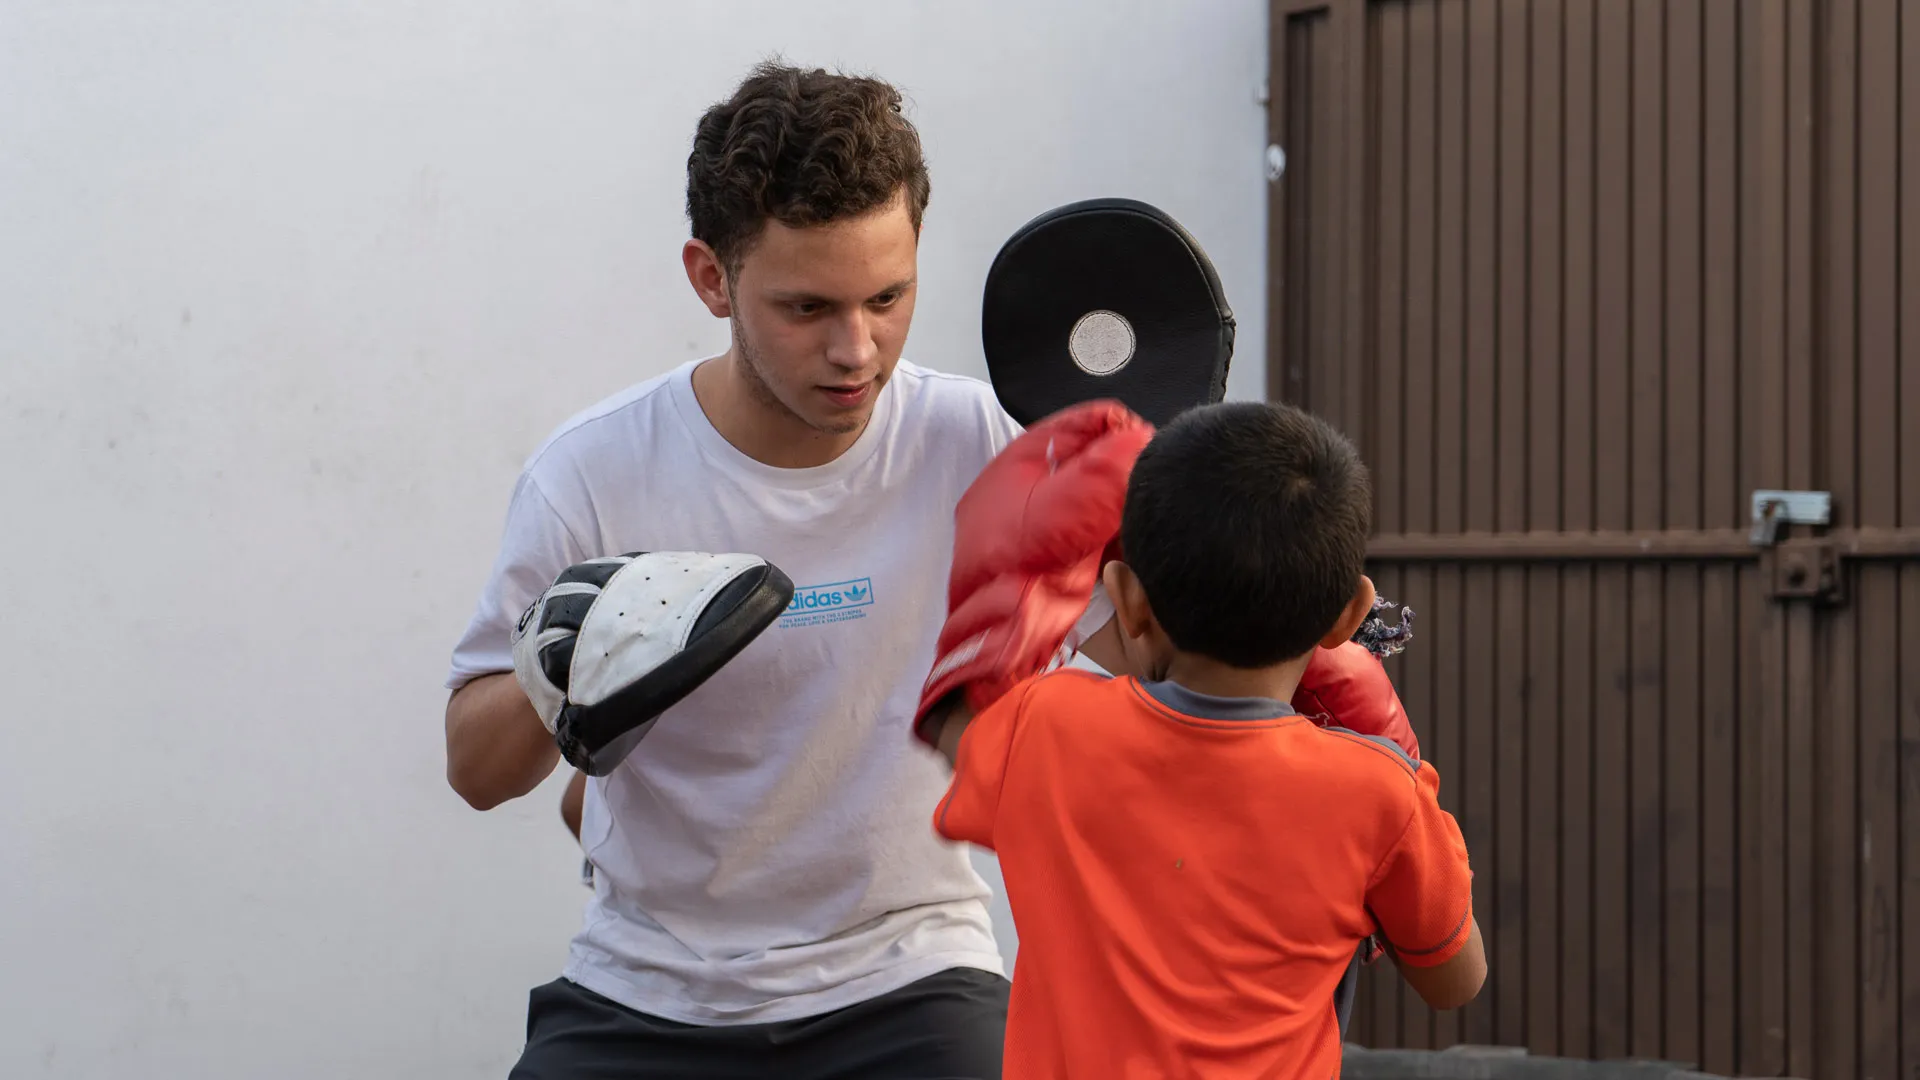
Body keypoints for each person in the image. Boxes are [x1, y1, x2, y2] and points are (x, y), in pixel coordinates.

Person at [443, 61, 1128, 1079]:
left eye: (888, 297)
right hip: (650, 988)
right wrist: (565, 664)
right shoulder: (593, 473)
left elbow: (1159, 653)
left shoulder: (983, 440)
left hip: (911, 975)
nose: (858, 349)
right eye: (807, 308)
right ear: (711, 278)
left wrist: (1251, 581)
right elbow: (475, 772)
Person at [915, 400, 1487, 1078]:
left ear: (1125, 598)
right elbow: (1456, 982)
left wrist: (1005, 577)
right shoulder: (1382, 793)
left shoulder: (1047, 726)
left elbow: (958, 729)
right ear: (1352, 616)